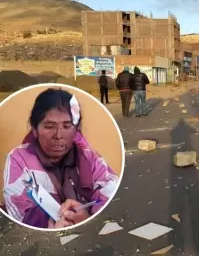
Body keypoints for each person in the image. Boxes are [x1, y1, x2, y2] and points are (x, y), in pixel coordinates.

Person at [2, 88, 118, 229]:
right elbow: (18, 209)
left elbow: (111, 194)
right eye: (49, 126)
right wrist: (49, 225)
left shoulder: (90, 158)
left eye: (67, 126)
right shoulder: (19, 159)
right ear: (34, 129)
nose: (58, 135)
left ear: (76, 129)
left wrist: (88, 217)